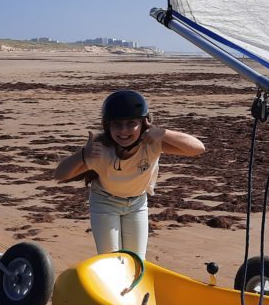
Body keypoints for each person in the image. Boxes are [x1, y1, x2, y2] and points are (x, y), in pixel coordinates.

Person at [54, 90, 204, 259]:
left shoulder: (152, 144)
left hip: (137, 204)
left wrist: (163, 133)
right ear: (107, 126)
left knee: (136, 261)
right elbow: (60, 174)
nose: (124, 131)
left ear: (144, 124)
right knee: (111, 260)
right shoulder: (101, 150)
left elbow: (198, 148)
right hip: (105, 203)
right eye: (117, 124)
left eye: (131, 123)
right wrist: (82, 155)